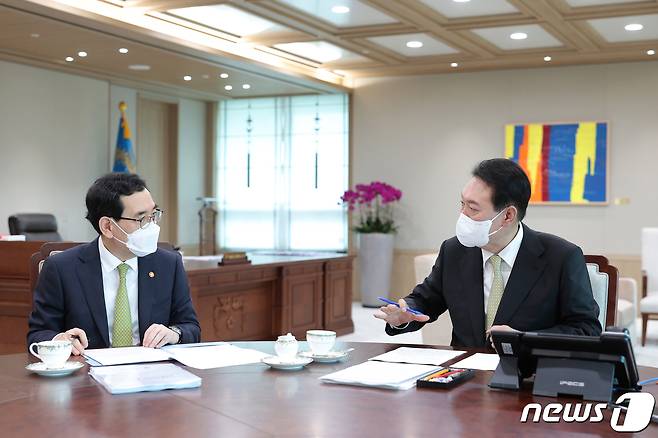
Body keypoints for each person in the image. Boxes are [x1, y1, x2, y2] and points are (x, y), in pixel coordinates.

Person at [375, 158, 601, 348]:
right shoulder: (454, 251)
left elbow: (585, 328)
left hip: (529, 377)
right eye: (462, 204)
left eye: (473, 209)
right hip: (465, 377)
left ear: (508, 216)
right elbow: (425, 300)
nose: (462, 215)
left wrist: (525, 340)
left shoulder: (561, 257)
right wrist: (403, 316)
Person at [27, 173, 200, 354]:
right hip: (87, 375)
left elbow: (190, 327)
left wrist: (174, 333)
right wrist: (59, 340)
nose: (152, 226)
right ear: (108, 227)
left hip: (152, 372)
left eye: (154, 214)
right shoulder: (61, 268)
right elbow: (38, 334)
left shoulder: (168, 264)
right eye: (141, 218)